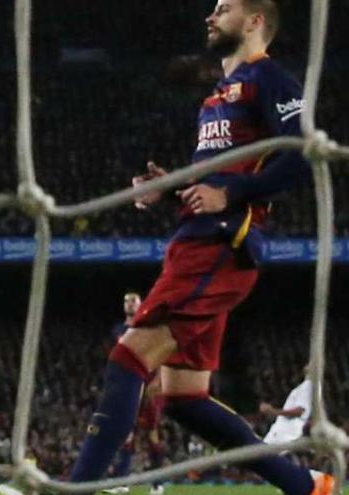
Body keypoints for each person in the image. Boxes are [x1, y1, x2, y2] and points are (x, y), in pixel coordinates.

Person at [68, 1, 334, 494]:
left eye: (223, 8)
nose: (210, 16)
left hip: (219, 246)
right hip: (195, 239)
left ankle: (72, 488)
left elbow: (303, 154)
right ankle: (304, 487)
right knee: (184, 397)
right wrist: (170, 188)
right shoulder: (215, 97)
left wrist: (229, 194)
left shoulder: (269, 78)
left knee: (128, 360)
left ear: (255, 22)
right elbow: (219, 177)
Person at [104, 293, 165, 495]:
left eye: (133, 300)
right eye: (126, 301)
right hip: (129, 385)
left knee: (151, 435)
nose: (129, 303)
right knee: (126, 434)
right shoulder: (117, 330)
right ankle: (122, 481)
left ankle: (158, 484)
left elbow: (162, 354)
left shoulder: (148, 327)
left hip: (148, 386)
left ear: (140, 305)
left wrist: (157, 380)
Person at [260, 366, 313, 445]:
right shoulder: (310, 387)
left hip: (285, 431)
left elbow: (299, 412)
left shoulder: (307, 386)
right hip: (289, 430)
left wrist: (272, 411)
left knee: (262, 455)